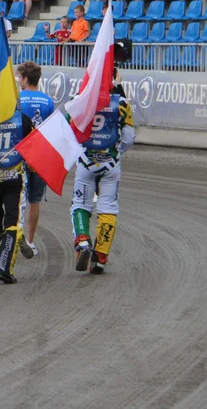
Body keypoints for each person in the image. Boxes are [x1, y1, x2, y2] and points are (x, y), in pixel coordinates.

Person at [72, 80, 135, 275]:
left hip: (85, 161)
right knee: (108, 207)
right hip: (110, 162)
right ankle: (100, 257)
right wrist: (116, 154)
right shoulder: (122, 103)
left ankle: (83, 243)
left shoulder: (79, 100)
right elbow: (129, 138)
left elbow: (69, 129)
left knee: (81, 204)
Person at [0, 96, 35, 284]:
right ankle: (5, 267)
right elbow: (33, 150)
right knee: (12, 221)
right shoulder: (24, 120)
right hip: (14, 177)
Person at [16, 61, 56, 258]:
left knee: (17, 199)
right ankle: (30, 242)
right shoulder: (47, 101)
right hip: (40, 155)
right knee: (34, 200)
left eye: (19, 77)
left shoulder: (17, 99)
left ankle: (17, 234)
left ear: (25, 79)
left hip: (19, 154)